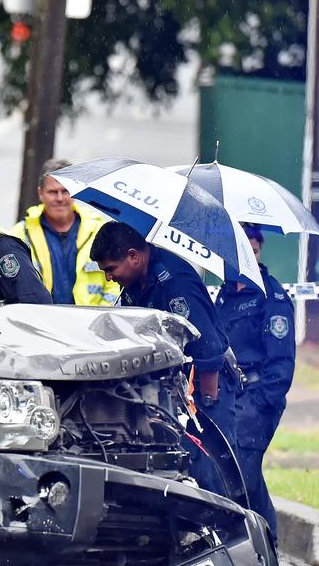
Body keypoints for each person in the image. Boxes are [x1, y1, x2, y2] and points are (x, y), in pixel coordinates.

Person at [90, 221, 235, 496]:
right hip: (175, 391)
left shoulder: (175, 285)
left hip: (207, 388)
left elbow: (207, 349)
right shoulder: (136, 281)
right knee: (181, 471)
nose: (108, 278)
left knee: (213, 476)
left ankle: (236, 535)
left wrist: (206, 408)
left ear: (133, 256)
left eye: (111, 269)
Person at [215, 224, 295, 540]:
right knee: (233, 475)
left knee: (244, 478)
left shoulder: (271, 297)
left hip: (256, 397)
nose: (249, 257)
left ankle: (265, 547)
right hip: (228, 398)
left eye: (254, 250)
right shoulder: (223, 295)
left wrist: (260, 404)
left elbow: (282, 364)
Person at [11, 158, 118, 306]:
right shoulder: (21, 234)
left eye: (65, 191)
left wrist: (101, 318)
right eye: (53, 192)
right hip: (41, 323)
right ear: (40, 193)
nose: (60, 198)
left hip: (91, 323)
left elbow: (115, 283)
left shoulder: (99, 230)